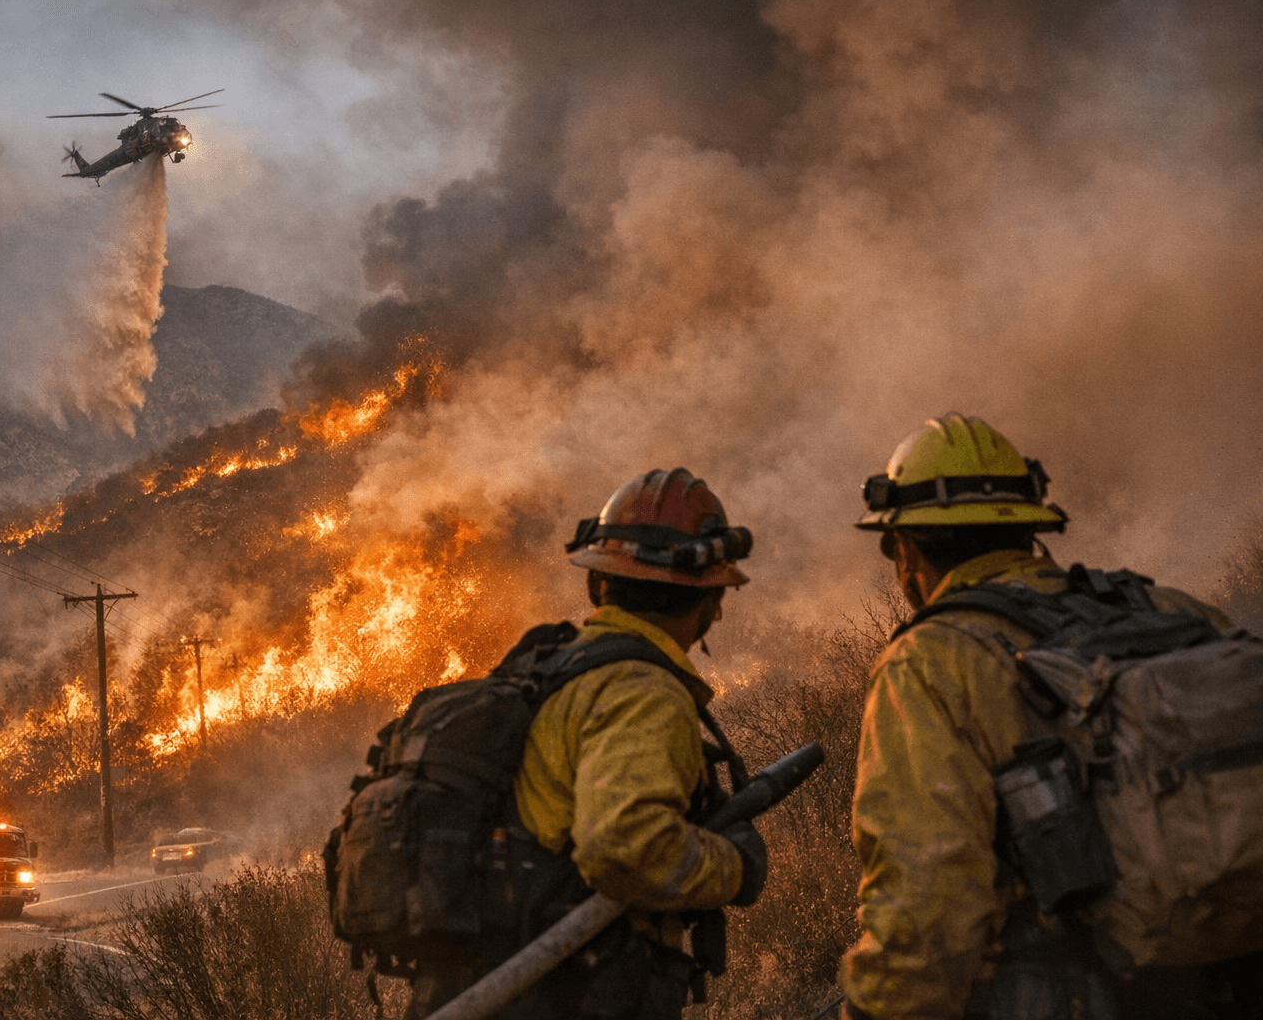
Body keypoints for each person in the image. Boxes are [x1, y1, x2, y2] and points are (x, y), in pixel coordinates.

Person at [839, 413, 1255, 1020]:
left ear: (903, 549)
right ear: (1031, 528)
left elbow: (928, 904)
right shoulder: (1172, 611)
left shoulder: (929, 664)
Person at [407, 467, 768, 1020]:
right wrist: (735, 866)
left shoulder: (553, 669)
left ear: (599, 584)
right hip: (566, 992)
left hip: (491, 980)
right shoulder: (641, 690)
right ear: (709, 601)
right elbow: (625, 848)